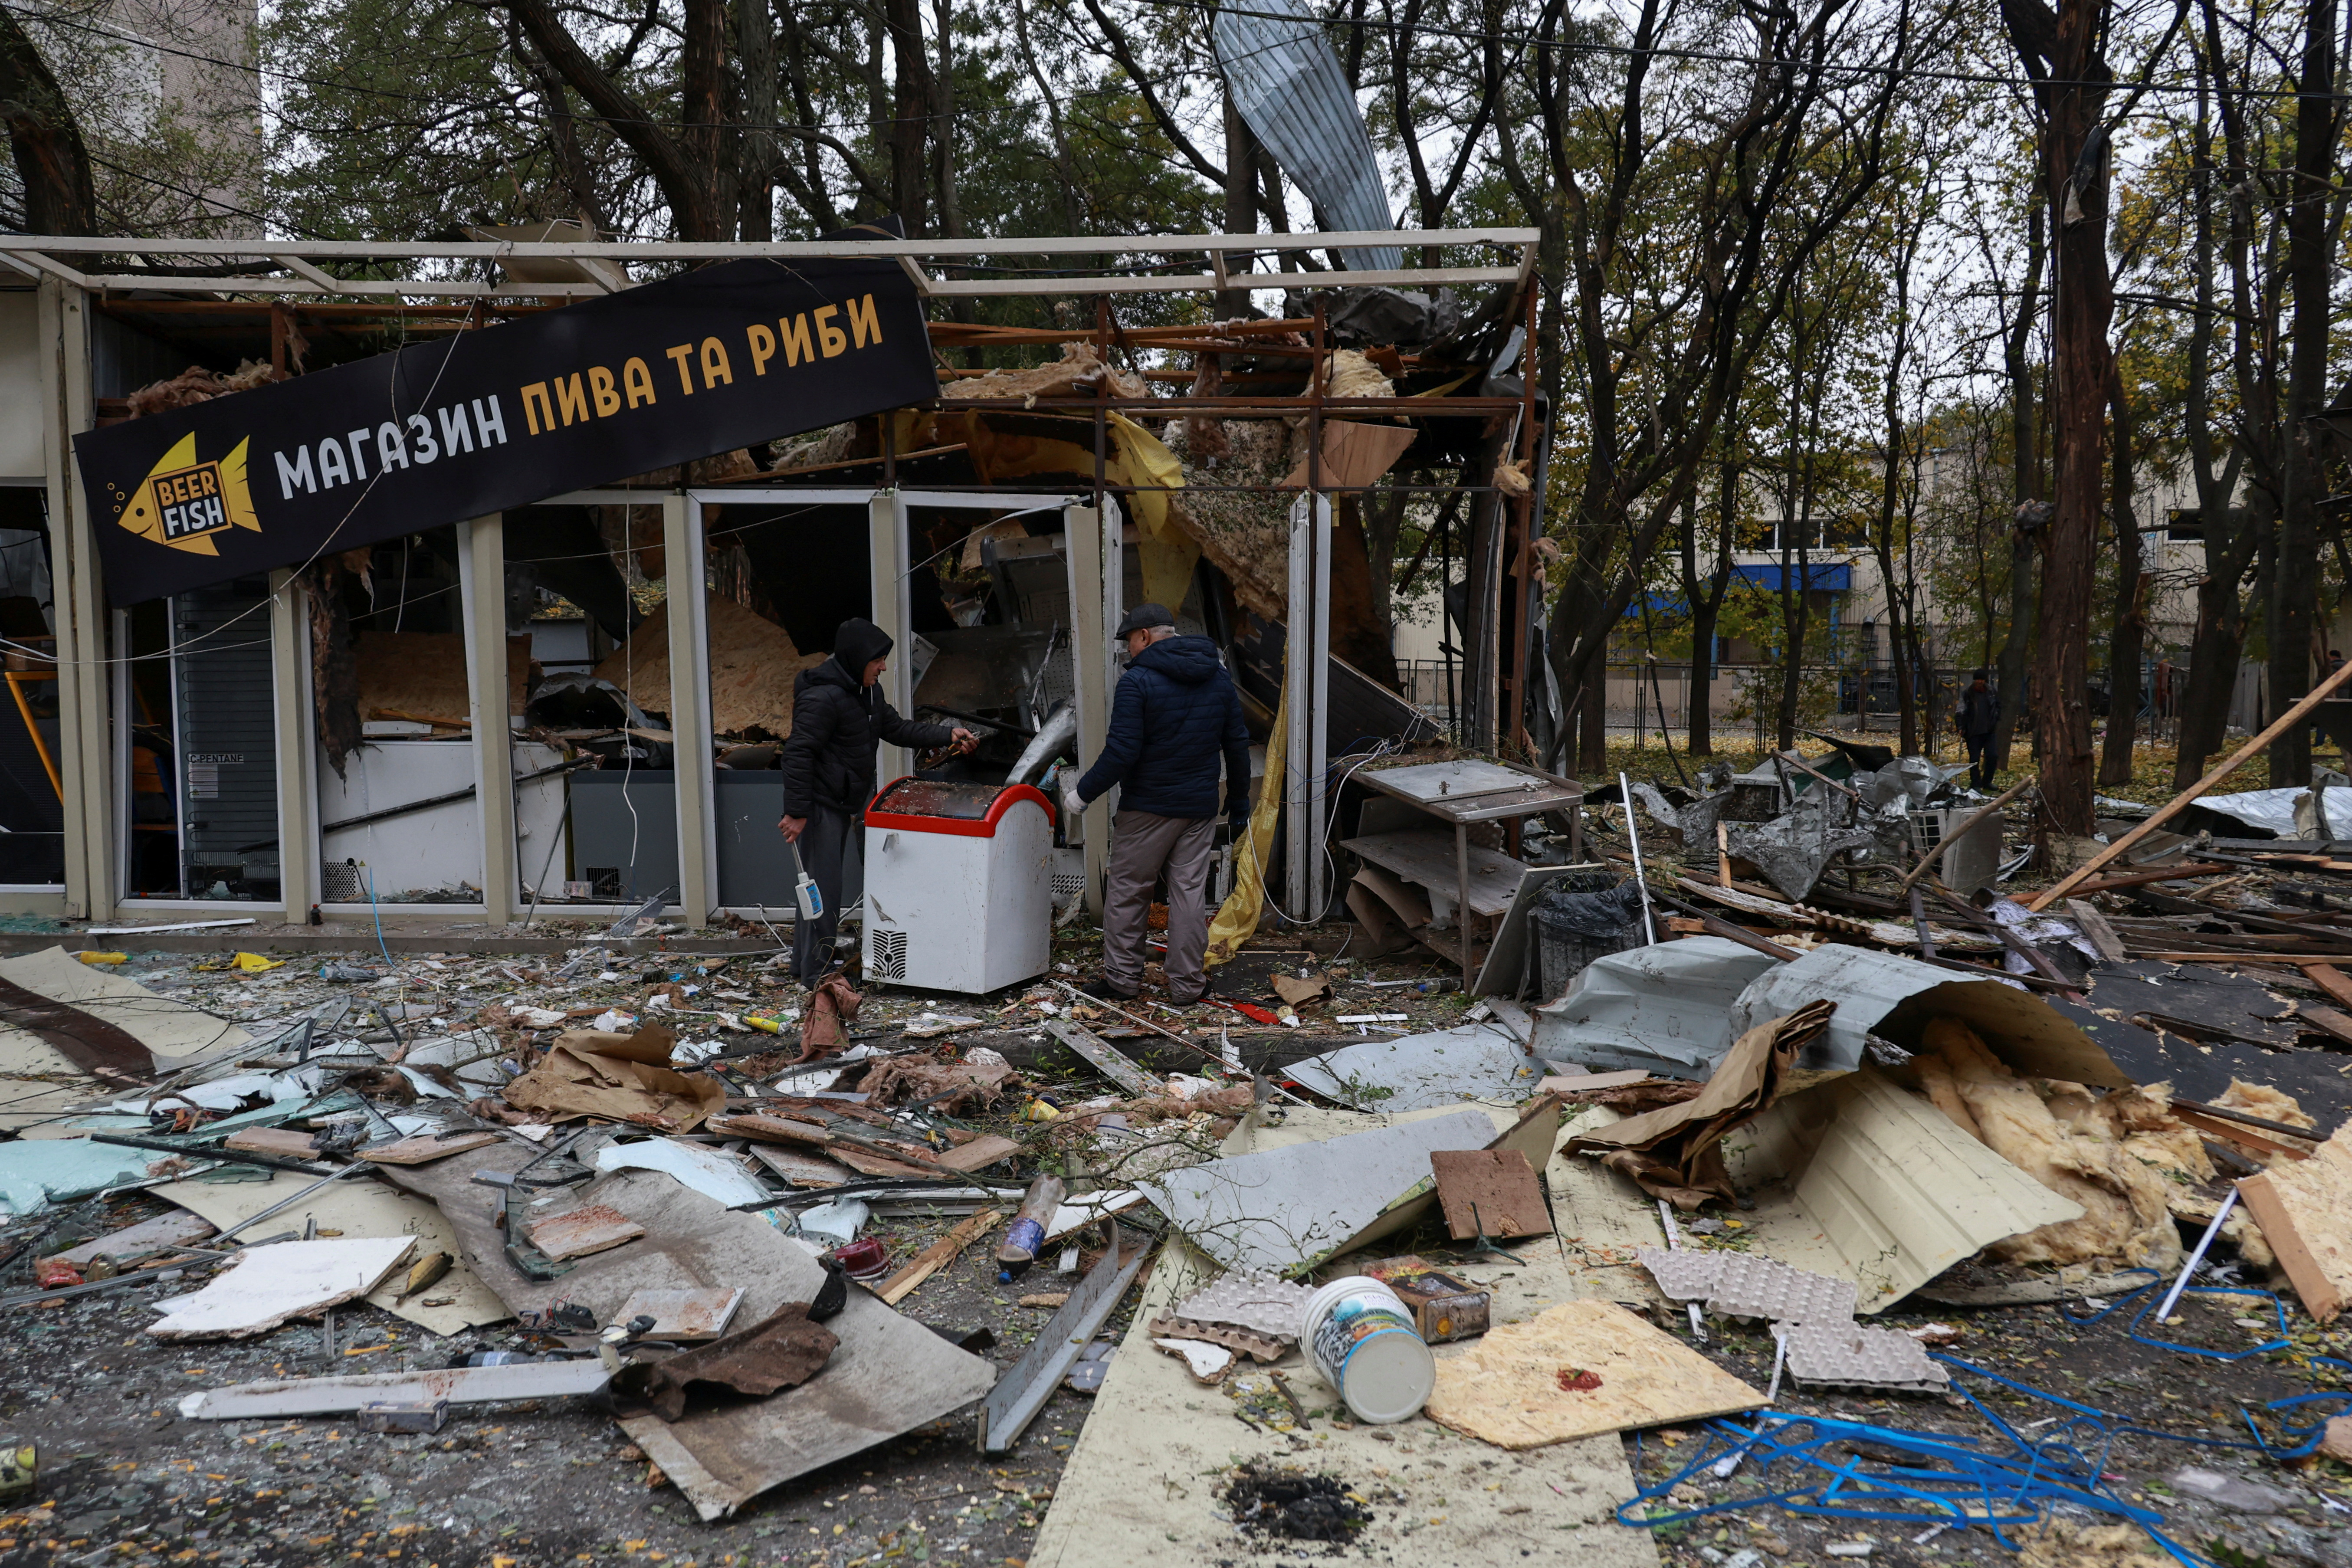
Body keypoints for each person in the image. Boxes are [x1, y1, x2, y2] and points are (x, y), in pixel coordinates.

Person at [1063, 603, 1252, 1007]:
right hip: (1199, 807)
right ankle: (1187, 986)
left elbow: (1122, 752)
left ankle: (1122, 981)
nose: (1129, 650)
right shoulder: (1217, 677)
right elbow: (1236, 743)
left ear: (1146, 636)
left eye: (1130, 641)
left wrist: (1081, 795)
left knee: (1130, 891)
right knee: (1188, 895)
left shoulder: (1139, 682)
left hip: (1148, 807)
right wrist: (1238, 799)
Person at [779, 617, 976, 985]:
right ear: (857, 658)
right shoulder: (822, 697)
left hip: (842, 801)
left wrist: (946, 733)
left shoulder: (867, 692)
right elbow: (797, 754)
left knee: (818, 891)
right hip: (821, 805)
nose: (883, 667)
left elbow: (897, 728)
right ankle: (818, 975)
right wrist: (796, 812)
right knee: (825, 891)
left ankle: (804, 967)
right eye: (878, 660)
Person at [1960, 668, 2000, 791]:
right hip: (1973, 732)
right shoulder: (1968, 693)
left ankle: (1987, 782)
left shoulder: (1992, 691)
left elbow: (1998, 707)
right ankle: (1976, 784)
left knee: (1992, 756)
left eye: (1982, 679)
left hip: (1989, 731)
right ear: (1974, 680)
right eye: (1978, 679)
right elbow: (1961, 710)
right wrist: (1961, 726)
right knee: (1974, 759)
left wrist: (1997, 719)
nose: (1980, 682)